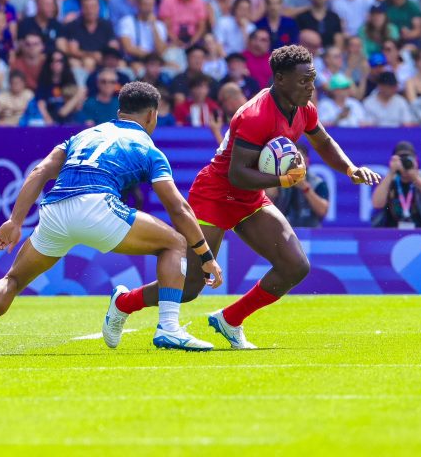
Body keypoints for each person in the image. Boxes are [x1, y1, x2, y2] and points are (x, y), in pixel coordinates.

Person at [103, 45, 380, 350]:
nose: (311, 87)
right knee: (192, 285)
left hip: (249, 199)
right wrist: (282, 180)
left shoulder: (304, 107)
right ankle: (124, 302)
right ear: (280, 79)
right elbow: (237, 174)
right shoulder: (255, 114)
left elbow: (324, 142)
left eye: (312, 79)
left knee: (295, 266)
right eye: (304, 81)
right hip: (214, 196)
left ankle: (230, 319)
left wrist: (350, 168)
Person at [0, 82, 223, 355]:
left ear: (120, 109)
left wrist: (15, 221)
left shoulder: (82, 136)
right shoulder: (148, 148)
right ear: (152, 115)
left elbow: (40, 171)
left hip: (55, 212)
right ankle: (169, 328)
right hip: (98, 208)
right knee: (174, 242)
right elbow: (179, 209)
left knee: (13, 279)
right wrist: (204, 254)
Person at [370, 141, 421, 228]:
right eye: (401, 159)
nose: (404, 162)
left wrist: (415, 178)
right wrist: (391, 172)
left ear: (415, 161)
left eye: (408, 158)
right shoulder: (389, 180)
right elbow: (377, 203)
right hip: (393, 231)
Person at [265, 144, 329, 228]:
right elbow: (264, 208)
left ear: (306, 161)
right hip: (281, 231)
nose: (294, 164)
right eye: (291, 160)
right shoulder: (278, 180)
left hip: (309, 232)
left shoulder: (318, 183)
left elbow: (323, 211)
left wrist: (306, 189)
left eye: (298, 160)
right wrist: (274, 186)